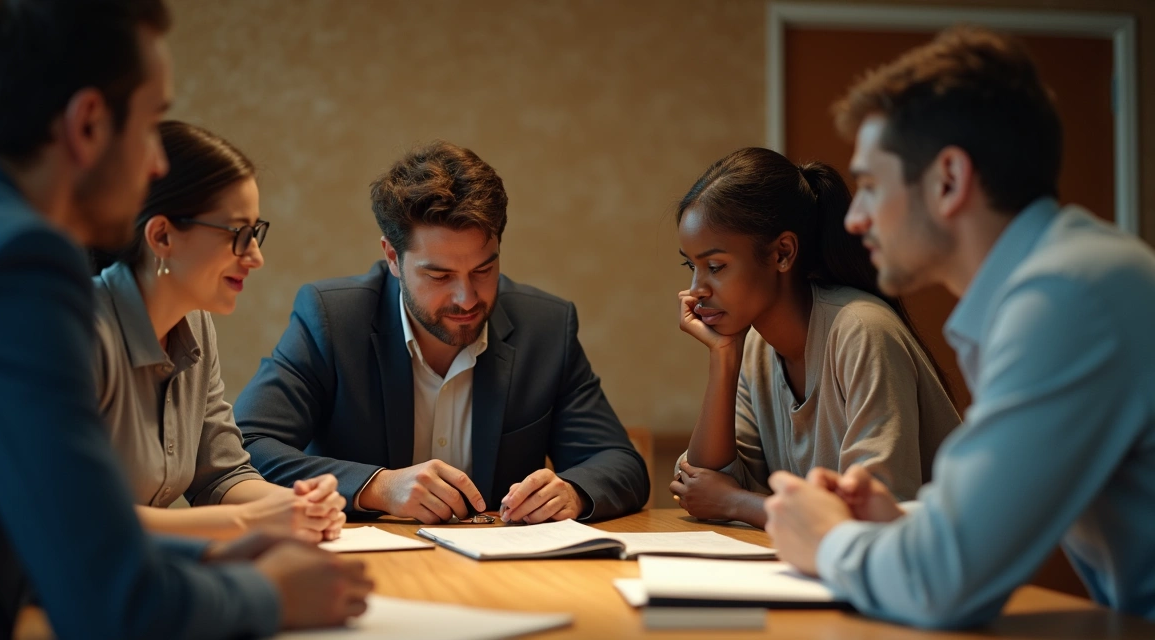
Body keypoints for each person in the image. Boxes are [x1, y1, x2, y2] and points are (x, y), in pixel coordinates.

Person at [0, 1, 370, 637]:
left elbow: (48, 533)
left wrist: (213, 551)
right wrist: (267, 593)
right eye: (150, 125)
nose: (157, 164)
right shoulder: (18, 261)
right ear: (88, 124)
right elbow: (106, 599)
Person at [763, 26, 1155, 627]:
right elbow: (997, 513)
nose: (858, 217)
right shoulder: (1068, 277)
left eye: (870, 185)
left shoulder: (1066, 297)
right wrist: (902, 523)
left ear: (948, 180)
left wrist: (828, 543)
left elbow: (941, 584)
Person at [236, 140, 650, 524]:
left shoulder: (544, 327)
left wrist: (573, 492)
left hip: (502, 578)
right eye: (439, 274)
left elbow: (618, 462)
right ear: (392, 258)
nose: (467, 297)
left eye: (484, 269)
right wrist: (377, 486)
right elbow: (246, 446)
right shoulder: (332, 319)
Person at [669, 146, 960, 528]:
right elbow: (701, 483)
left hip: (936, 574)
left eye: (716, 266)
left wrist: (736, 503)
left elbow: (875, 516)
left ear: (783, 253)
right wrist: (723, 356)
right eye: (692, 266)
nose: (696, 290)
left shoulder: (861, 330)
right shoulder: (755, 343)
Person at [93, 120, 346, 542]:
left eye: (256, 233)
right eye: (239, 234)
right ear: (162, 235)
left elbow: (222, 474)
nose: (256, 257)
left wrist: (297, 505)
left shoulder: (194, 322)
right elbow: (85, 518)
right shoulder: (75, 331)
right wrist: (251, 522)